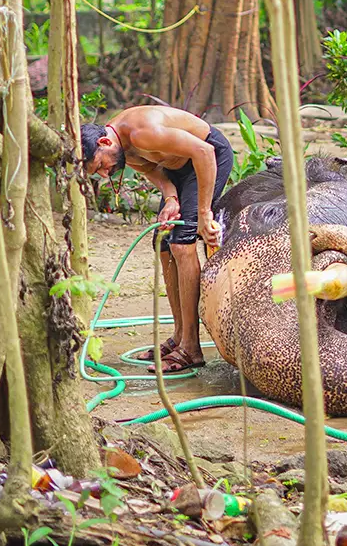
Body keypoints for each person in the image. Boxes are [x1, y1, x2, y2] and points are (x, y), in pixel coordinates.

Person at [81, 105, 235, 372]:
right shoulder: (120, 144)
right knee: (163, 243)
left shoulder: (142, 132)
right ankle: (179, 335)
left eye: (100, 166)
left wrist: (203, 212)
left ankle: (191, 348)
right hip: (178, 170)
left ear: (104, 143)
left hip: (208, 157)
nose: (105, 174)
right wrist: (171, 198)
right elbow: (152, 170)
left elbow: (204, 151)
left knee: (181, 245)